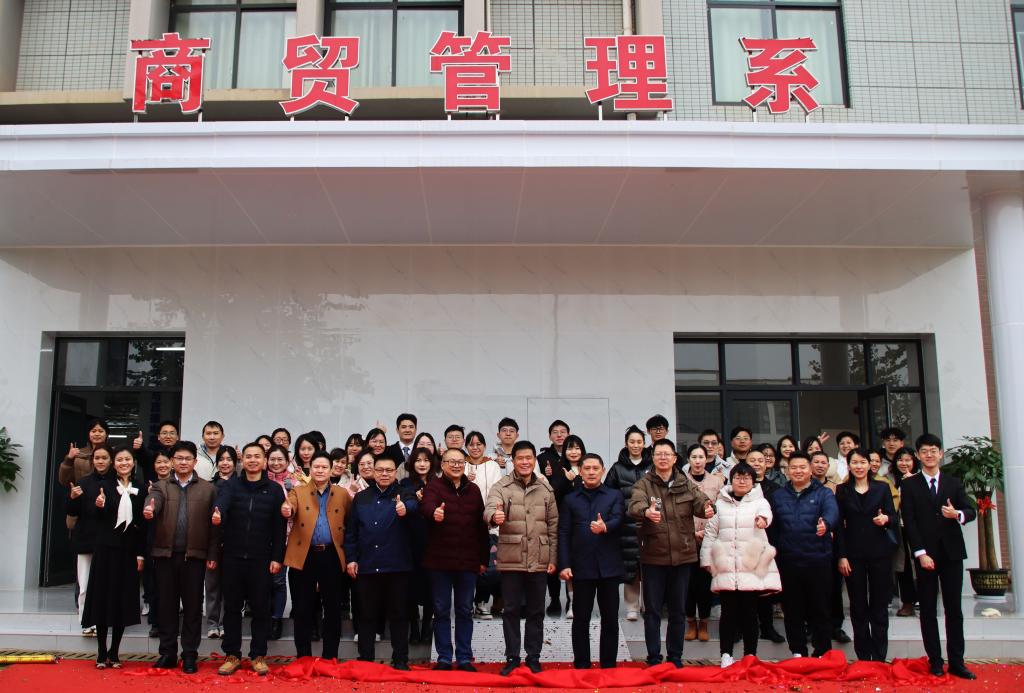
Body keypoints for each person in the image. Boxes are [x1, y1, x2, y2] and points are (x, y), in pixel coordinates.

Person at [628, 439, 714, 668]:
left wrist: (707, 508)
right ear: (653, 458)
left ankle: (675, 657)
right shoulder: (644, 484)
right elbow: (633, 506)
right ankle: (654, 657)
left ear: (675, 458)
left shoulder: (685, 483)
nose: (663, 458)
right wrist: (646, 512)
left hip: (683, 555)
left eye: (667, 454)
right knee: (653, 611)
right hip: (653, 556)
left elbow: (702, 503)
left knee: (678, 611)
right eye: (659, 454)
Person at [900, 433, 976, 680]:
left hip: (952, 553)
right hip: (926, 555)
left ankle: (957, 662)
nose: (929, 455)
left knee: (954, 610)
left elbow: (970, 510)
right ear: (917, 456)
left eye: (933, 450)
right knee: (928, 610)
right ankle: (935, 660)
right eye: (924, 451)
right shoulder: (909, 485)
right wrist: (920, 553)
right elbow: (909, 521)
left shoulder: (953, 482)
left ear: (941, 454)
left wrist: (957, 515)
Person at [143, 441, 219, 674]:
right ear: (171, 461)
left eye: (187, 458)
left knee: (193, 608)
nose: (183, 462)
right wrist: (150, 509)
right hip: (165, 555)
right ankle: (167, 653)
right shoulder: (160, 486)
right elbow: (153, 502)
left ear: (195, 462)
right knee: (166, 606)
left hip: (195, 557)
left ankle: (189, 654)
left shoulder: (208, 489)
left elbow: (214, 526)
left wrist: (212, 554)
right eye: (179, 458)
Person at [484, 440, 558, 676]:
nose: (525, 462)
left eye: (529, 458)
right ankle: (512, 657)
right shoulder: (502, 486)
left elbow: (553, 526)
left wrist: (553, 558)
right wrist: (493, 516)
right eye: (520, 458)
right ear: (513, 461)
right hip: (511, 557)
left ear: (534, 460)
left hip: (539, 558)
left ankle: (533, 657)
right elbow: (489, 508)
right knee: (511, 610)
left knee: (536, 611)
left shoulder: (545, 489)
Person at [212, 443, 286, 677]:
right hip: (232, 557)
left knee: (261, 609)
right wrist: (218, 513)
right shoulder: (230, 485)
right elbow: (221, 505)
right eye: (248, 456)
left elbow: (279, 527)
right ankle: (232, 655)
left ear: (264, 461)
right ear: (242, 460)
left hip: (261, 559)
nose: (253, 460)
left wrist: (277, 558)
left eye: (257, 456)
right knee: (232, 608)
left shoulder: (274, 490)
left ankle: (258, 655)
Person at [700, 462, 781, 668]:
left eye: (746, 478)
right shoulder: (720, 503)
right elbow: (710, 533)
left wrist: (762, 520)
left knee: (749, 613)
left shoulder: (759, 501)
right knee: (728, 613)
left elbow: (766, 514)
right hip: (726, 566)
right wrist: (707, 560)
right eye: (738, 477)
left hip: (750, 567)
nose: (742, 481)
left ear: (753, 481)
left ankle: (750, 655)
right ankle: (726, 655)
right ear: (731, 480)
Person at [344, 453, 418, 670]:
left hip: (397, 566)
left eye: (389, 470)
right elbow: (351, 532)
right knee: (366, 615)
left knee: (399, 615)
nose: (384, 474)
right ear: (373, 472)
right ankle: (366, 659)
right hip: (367, 565)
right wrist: (351, 559)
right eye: (380, 470)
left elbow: (414, 505)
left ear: (395, 472)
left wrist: (405, 509)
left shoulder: (405, 493)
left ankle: (400, 659)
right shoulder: (361, 497)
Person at [420, 447, 489, 671]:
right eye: (452, 461)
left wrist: (483, 559)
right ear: (443, 465)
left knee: (464, 610)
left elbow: (481, 527)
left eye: (460, 461)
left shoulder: (473, 490)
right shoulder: (433, 487)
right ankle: (443, 657)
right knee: (441, 610)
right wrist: (434, 513)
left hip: (468, 561)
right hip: (439, 562)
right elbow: (427, 507)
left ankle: (464, 658)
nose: (457, 465)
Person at [768, 451, 839, 659]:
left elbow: (832, 512)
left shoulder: (824, 493)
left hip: (818, 559)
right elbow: (772, 528)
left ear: (810, 470)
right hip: (788, 560)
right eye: (794, 467)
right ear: (787, 471)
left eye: (802, 467)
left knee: (820, 608)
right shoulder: (778, 495)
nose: (798, 471)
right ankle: (798, 651)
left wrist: (826, 523)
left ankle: (822, 651)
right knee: (792, 609)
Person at [282, 452, 352, 661]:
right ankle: (303, 656)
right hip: (304, 554)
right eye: (316, 467)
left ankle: (330, 656)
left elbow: (351, 522)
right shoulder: (298, 490)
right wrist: (287, 509)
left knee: (332, 608)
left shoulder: (342, 494)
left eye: (324, 467)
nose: (320, 470)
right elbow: (290, 505)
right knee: (302, 608)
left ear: (331, 470)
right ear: (310, 469)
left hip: (332, 554)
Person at [558, 453, 623, 670]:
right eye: (587, 468)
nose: (592, 472)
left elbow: (619, 519)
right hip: (581, 567)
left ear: (603, 470)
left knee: (610, 620)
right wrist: (564, 564)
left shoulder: (614, 495)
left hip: (609, 567)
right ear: (580, 471)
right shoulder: (570, 499)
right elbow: (564, 533)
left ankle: (608, 665)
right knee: (580, 620)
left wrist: (606, 527)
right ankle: (582, 664)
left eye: (596, 468)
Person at [83, 446, 145, 668]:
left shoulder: (140, 488)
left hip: (128, 551)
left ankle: (115, 652)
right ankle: (101, 652)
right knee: (102, 598)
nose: (123, 463)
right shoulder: (105, 485)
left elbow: (143, 524)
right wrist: (99, 505)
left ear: (133, 462)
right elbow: (94, 516)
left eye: (127, 459)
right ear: (113, 463)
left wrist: (141, 554)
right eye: (119, 459)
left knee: (122, 600)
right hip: (106, 549)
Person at [835, 448, 897, 663]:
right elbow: (839, 526)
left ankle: (879, 656)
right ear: (849, 465)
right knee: (858, 605)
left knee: (879, 606)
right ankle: (863, 656)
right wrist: (842, 555)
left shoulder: (882, 488)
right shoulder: (842, 490)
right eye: (855, 462)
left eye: (863, 462)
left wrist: (886, 519)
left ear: (870, 465)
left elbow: (893, 516)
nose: (859, 466)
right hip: (853, 555)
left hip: (880, 553)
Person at [604, 425, 651, 621]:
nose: (636, 445)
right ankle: (632, 606)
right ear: (626, 444)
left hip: (650, 523)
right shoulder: (617, 468)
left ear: (644, 444)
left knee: (649, 565)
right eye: (632, 442)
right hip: (625, 524)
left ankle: (649, 605)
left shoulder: (653, 466)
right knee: (629, 565)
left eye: (639, 441)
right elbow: (608, 494)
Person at [67, 444, 113, 636]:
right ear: (92, 460)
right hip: (85, 539)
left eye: (104, 458)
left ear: (111, 460)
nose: (100, 461)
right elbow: (72, 512)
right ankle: (86, 622)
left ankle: (104, 620)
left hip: (110, 541)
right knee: (85, 585)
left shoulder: (117, 482)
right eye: (97, 458)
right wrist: (73, 498)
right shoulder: (83, 482)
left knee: (106, 585)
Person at [741, 448, 786, 644]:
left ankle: (767, 627)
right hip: (743, 544)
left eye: (761, 460)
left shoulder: (776, 489)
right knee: (744, 589)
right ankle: (741, 628)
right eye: (753, 460)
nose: (757, 463)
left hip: (768, 542)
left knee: (765, 589)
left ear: (767, 464)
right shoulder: (737, 486)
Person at [681, 443, 725, 643]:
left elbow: (720, 509)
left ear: (706, 459)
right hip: (686, 538)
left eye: (701, 457)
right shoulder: (681, 481)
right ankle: (691, 622)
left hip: (709, 538)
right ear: (688, 459)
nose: (698, 461)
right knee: (688, 584)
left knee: (705, 584)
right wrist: (692, 532)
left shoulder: (717, 481)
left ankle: (704, 622)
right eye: (694, 457)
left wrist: (706, 532)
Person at [465, 431, 505, 619]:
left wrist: (491, 517)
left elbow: (497, 492)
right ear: (466, 446)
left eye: (479, 444)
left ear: (484, 446)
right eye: (471, 444)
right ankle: (468, 604)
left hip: (490, 525)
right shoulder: (461, 464)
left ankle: (481, 601)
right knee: (467, 568)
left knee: (489, 568)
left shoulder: (493, 465)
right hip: (466, 526)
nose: (475, 447)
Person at [400, 448, 437, 645]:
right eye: (418, 460)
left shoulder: (438, 483)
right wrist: (417, 500)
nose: (422, 464)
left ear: (432, 463)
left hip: (434, 542)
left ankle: (427, 626)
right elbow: (407, 505)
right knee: (411, 588)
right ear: (412, 463)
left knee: (431, 587)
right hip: (411, 542)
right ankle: (413, 627)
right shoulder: (405, 484)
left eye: (426, 460)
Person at [205, 446, 237, 640]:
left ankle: (226, 623)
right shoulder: (209, 487)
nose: (225, 463)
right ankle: (212, 624)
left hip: (234, 543)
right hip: (213, 542)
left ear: (235, 463)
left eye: (229, 459)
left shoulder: (241, 485)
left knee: (230, 587)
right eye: (221, 459)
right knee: (212, 586)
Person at [266, 444, 295, 639]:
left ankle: (276, 619)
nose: (276, 463)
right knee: (262, 580)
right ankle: (263, 617)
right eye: (272, 459)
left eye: (280, 459)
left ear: (287, 461)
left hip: (285, 538)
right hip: (260, 538)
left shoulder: (295, 482)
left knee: (278, 580)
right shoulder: (260, 479)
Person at [892, 447, 920, 617]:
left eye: (907, 460)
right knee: (903, 567)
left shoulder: (920, 478)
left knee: (922, 563)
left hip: (919, 528)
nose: (904, 463)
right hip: (900, 528)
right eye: (900, 460)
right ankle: (907, 602)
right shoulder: (892, 480)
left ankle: (924, 599)